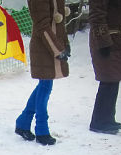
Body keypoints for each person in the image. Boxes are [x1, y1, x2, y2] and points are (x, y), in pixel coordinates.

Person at [15, 0, 71, 146]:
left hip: (51, 45)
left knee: (44, 85)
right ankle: (41, 129)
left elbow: (59, 23)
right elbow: (42, 25)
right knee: (45, 86)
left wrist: (64, 44)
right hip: (43, 46)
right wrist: (58, 49)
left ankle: (23, 122)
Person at [87, 0, 121, 134]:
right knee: (108, 79)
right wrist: (103, 41)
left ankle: (106, 119)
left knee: (113, 78)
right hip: (107, 41)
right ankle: (100, 121)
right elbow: (96, 16)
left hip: (115, 40)